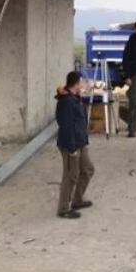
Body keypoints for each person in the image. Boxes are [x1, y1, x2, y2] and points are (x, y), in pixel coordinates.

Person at [54, 71, 94, 218]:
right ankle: (63, 209)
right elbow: (66, 126)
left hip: (80, 142)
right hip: (71, 144)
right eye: (82, 82)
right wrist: (71, 148)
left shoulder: (75, 98)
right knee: (70, 176)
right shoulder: (66, 102)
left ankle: (77, 200)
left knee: (88, 169)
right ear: (76, 83)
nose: (84, 85)